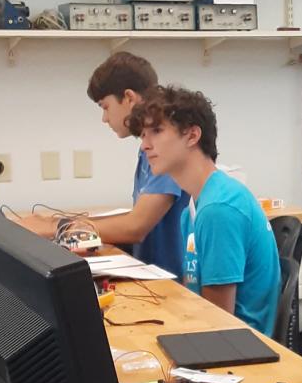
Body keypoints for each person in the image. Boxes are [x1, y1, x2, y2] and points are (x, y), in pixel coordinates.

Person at [16, 52, 189, 277]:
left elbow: (136, 226)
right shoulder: (148, 147)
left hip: (170, 284)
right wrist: (62, 222)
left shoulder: (164, 148)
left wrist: (57, 227)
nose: (104, 118)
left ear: (129, 98)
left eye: (105, 107)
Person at [127, 84, 280, 335]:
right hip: (214, 337)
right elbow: (197, 301)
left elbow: (217, 325)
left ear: (192, 135)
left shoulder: (218, 209)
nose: (145, 145)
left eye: (156, 131)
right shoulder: (192, 208)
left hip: (238, 353)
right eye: (143, 135)